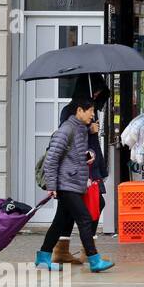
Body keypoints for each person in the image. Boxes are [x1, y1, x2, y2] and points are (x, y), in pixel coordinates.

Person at [38, 95, 114, 272]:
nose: (92, 115)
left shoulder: (81, 129)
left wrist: (89, 155)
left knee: (59, 223)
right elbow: (51, 160)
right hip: (66, 184)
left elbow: (76, 153)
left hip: (75, 183)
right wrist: (51, 186)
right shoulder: (66, 130)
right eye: (90, 111)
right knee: (85, 219)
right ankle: (94, 259)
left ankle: (43, 257)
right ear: (79, 110)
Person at [50, 77, 110, 264]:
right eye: (95, 92)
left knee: (71, 211)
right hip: (77, 168)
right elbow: (65, 136)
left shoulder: (93, 110)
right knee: (93, 205)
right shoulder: (70, 110)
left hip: (90, 165)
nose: (97, 96)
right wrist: (88, 128)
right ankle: (87, 251)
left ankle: (60, 250)